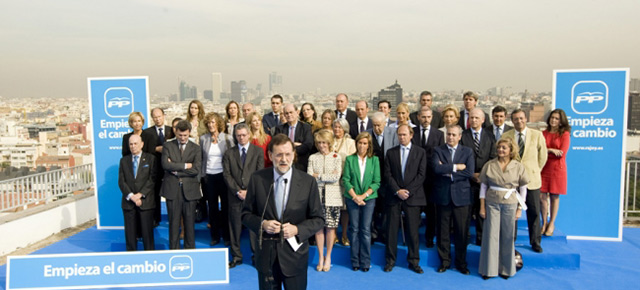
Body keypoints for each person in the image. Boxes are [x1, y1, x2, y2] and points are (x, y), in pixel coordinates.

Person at [241, 134, 324, 290]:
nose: (284, 159)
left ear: (294, 155)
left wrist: (297, 229)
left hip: (295, 257)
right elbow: (245, 215)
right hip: (266, 257)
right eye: (279, 155)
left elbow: (318, 219)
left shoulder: (308, 182)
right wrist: (263, 224)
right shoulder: (257, 179)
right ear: (271, 155)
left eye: (287, 154)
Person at [478, 138, 529, 279]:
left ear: (510, 150)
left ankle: (506, 269)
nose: (501, 150)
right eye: (499, 147)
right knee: (491, 236)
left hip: (510, 203)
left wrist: (520, 208)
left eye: (504, 148)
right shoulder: (489, 165)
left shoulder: (519, 166)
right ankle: (489, 269)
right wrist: (482, 207)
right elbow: (483, 187)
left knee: (507, 236)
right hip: (492, 202)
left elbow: (523, 188)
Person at [383, 124, 427, 274]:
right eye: (399, 135)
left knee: (413, 231)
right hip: (394, 197)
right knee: (391, 231)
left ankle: (414, 261)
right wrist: (397, 191)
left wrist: (408, 191)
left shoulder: (420, 152)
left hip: (413, 197)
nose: (401, 137)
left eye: (404, 134)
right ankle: (390, 261)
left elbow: (421, 175)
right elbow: (387, 174)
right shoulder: (390, 153)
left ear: (411, 135)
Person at [502, 109, 547, 253]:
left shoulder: (537, 135)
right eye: (516, 119)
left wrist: (534, 170)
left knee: (533, 212)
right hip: (512, 182)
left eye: (521, 118)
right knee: (512, 212)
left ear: (525, 119)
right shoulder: (506, 136)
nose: (519, 121)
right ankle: (511, 241)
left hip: (532, 180)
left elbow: (543, 157)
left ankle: (535, 242)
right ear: (512, 121)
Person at [432, 125, 475, 275]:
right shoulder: (438, 150)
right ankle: (444, 262)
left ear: (459, 137)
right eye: (448, 134)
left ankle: (461, 263)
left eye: (453, 135)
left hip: (461, 198)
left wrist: (448, 171)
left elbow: (469, 172)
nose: (450, 137)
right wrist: (456, 167)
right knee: (443, 232)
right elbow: (436, 169)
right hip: (443, 197)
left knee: (461, 232)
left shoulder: (467, 151)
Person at [223, 123, 265, 268]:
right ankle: (236, 257)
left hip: (252, 197)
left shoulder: (258, 151)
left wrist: (249, 192)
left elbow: (259, 173)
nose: (241, 138)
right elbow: (227, 175)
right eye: (238, 135)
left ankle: (256, 256)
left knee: (254, 228)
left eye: (243, 135)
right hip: (234, 197)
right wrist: (237, 191)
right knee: (234, 228)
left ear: (249, 135)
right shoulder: (229, 153)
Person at [342, 132, 380, 272]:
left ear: (368, 145)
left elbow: (377, 182)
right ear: (356, 143)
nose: (362, 146)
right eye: (360, 143)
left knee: (365, 230)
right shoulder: (350, 159)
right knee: (354, 229)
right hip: (352, 198)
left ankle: (365, 261)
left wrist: (363, 196)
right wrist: (355, 196)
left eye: (365, 143)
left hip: (368, 199)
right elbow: (346, 180)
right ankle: (355, 261)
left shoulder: (374, 160)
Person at [161, 120, 201, 249]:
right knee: (173, 224)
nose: (182, 138)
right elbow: (165, 165)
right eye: (180, 135)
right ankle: (174, 251)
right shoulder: (168, 146)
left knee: (189, 225)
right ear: (175, 133)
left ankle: (190, 252)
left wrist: (176, 171)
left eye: (185, 135)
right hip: (172, 190)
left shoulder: (196, 148)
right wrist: (185, 166)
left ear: (189, 133)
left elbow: (196, 170)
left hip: (190, 191)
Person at [307, 129, 343, 272]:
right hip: (316, 197)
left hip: (333, 198)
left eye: (324, 143)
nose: (322, 145)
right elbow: (310, 177)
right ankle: (321, 257)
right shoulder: (312, 157)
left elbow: (336, 177)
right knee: (318, 228)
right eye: (319, 142)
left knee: (331, 228)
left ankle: (328, 256)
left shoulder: (336, 157)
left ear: (329, 143)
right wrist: (325, 176)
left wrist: (319, 176)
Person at [460, 108, 497, 245]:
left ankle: (481, 238)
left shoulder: (490, 136)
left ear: (483, 120)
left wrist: (482, 175)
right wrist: (471, 174)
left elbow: (493, 157)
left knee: (483, 211)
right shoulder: (463, 136)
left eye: (476, 118)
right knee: (466, 212)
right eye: (471, 118)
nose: (474, 120)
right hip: (467, 180)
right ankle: (465, 237)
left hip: (485, 180)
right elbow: (460, 157)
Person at [200, 112, 234, 246]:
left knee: (226, 207)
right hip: (209, 176)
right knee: (212, 207)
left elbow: (232, 158)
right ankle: (214, 236)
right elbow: (202, 159)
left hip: (223, 176)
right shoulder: (203, 139)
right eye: (208, 123)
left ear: (218, 123)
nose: (210, 125)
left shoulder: (227, 138)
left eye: (213, 122)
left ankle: (226, 236)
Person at [411, 106, 444, 248]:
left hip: (432, 179)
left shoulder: (438, 135)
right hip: (415, 178)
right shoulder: (413, 133)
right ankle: (414, 239)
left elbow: (441, 156)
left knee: (432, 211)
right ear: (418, 117)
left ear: (432, 118)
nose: (426, 120)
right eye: (423, 117)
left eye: (428, 117)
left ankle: (430, 238)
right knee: (414, 212)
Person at [118, 134, 156, 251]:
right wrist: (132, 196)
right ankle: (131, 258)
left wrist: (140, 195)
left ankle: (150, 258)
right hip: (129, 203)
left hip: (145, 202)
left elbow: (152, 179)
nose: (133, 146)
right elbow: (121, 181)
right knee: (130, 235)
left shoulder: (150, 159)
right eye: (131, 144)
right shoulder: (124, 161)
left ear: (142, 144)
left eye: (135, 144)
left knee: (147, 235)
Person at [366, 112, 399, 243]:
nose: (376, 128)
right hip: (371, 179)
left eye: (379, 125)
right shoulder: (367, 134)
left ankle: (385, 233)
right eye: (374, 125)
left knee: (387, 208)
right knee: (371, 208)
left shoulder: (393, 134)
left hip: (387, 178)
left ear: (385, 123)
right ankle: (372, 234)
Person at [540, 109, 571, 237]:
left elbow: (562, 153)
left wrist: (549, 152)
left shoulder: (564, 134)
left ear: (561, 121)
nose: (553, 120)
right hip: (544, 167)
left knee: (554, 197)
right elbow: (540, 151)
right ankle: (544, 222)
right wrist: (552, 150)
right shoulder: (543, 133)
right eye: (552, 117)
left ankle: (552, 223)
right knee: (541, 197)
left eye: (557, 118)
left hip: (557, 169)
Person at [144, 108, 174, 226]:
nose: (157, 119)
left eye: (159, 116)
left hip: (169, 167)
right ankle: (155, 218)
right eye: (155, 117)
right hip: (154, 167)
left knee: (170, 194)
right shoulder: (147, 132)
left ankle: (172, 217)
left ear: (164, 116)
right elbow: (145, 149)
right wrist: (156, 149)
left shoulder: (170, 130)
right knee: (154, 194)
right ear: (152, 118)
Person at [332, 118, 356, 246]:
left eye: (340, 127)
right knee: (334, 208)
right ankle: (334, 234)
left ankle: (345, 234)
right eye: (335, 127)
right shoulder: (330, 141)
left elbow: (352, 161)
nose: (337, 129)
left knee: (345, 209)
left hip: (345, 180)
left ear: (345, 128)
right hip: (332, 180)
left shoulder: (351, 142)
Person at [274, 104, 314, 171]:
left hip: (300, 165)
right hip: (284, 165)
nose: (289, 115)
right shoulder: (279, 129)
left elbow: (308, 146)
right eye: (286, 113)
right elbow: (277, 146)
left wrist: (287, 149)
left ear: (297, 112)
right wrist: (294, 145)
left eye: (291, 112)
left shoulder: (306, 128)